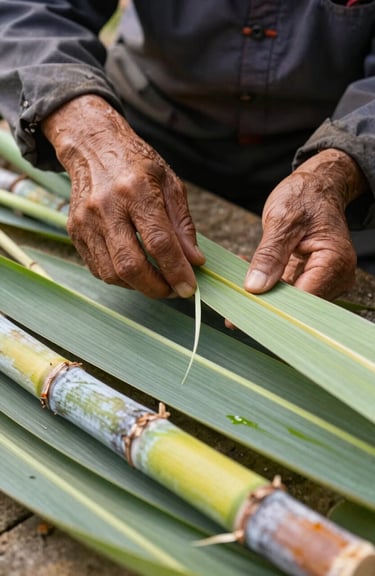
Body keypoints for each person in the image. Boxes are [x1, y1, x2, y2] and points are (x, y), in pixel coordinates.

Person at [0, 0, 374, 301]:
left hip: (347, 168)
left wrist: (338, 171)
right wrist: (89, 133)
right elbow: (28, 8)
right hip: (141, 136)